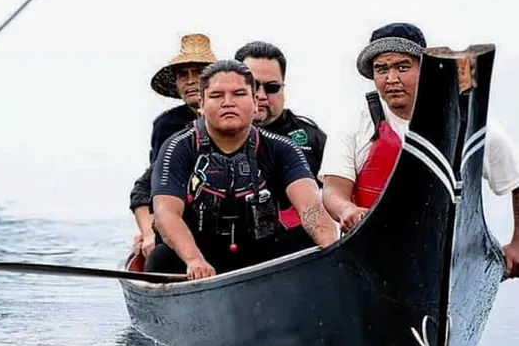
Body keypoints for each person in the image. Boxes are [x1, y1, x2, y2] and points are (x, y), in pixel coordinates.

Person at [319, 23, 519, 279]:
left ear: (424, 69)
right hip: (373, 263)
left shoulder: (470, 124)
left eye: (403, 67)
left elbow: (515, 179)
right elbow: (333, 191)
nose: (391, 79)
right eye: (382, 69)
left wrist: (516, 244)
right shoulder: (354, 124)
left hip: (452, 263)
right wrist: (346, 210)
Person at [146, 60, 339, 279]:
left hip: (261, 254)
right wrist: (194, 261)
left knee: (305, 242)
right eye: (217, 96)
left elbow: (310, 207)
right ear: (201, 103)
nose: (228, 103)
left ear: (256, 102)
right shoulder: (178, 147)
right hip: (197, 259)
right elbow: (166, 215)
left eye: (238, 94)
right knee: (160, 259)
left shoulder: (283, 148)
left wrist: (332, 249)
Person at [235, 40, 328, 254]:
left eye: (272, 87)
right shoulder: (204, 137)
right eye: (252, 86)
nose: (261, 95)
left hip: (294, 252)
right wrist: (147, 232)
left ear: (283, 88)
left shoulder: (313, 137)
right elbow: (150, 190)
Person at [129, 33, 217, 260]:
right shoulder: (166, 125)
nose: (190, 80)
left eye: (198, 73)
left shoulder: (240, 119)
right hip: (180, 221)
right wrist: (148, 232)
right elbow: (150, 186)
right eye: (182, 75)